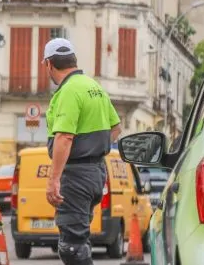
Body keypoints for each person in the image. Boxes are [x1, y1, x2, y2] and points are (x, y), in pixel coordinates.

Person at [42, 38, 121, 265]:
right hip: (95, 172)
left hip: (75, 176)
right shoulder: (94, 87)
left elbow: (64, 137)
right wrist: (93, 146)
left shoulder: (68, 91)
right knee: (79, 239)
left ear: (49, 64)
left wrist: (54, 179)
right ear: (73, 60)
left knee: (72, 246)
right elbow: (115, 128)